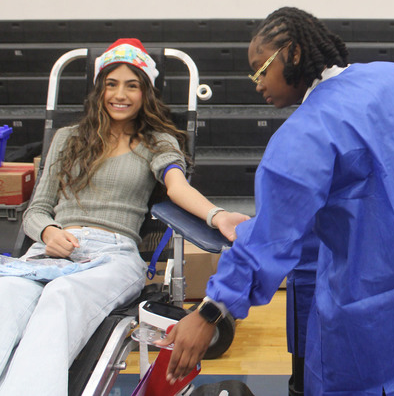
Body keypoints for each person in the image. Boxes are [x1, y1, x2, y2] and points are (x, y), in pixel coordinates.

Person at [159, 7, 394, 396]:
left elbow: (271, 240)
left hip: (382, 297)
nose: (257, 83)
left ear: (293, 53)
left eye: (261, 70)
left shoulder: (304, 134)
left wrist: (210, 310)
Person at [0, 39, 250, 395]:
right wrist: (48, 231)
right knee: (4, 294)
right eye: (111, 83)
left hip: (112, 255)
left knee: (61, 298)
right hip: (49, 254)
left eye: (132, 85)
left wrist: (217, 215)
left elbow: (177, 188)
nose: (120, 94)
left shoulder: (158, 141)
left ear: (145, 92)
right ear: (99, 88)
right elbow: (36, 210)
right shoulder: (66, 138)